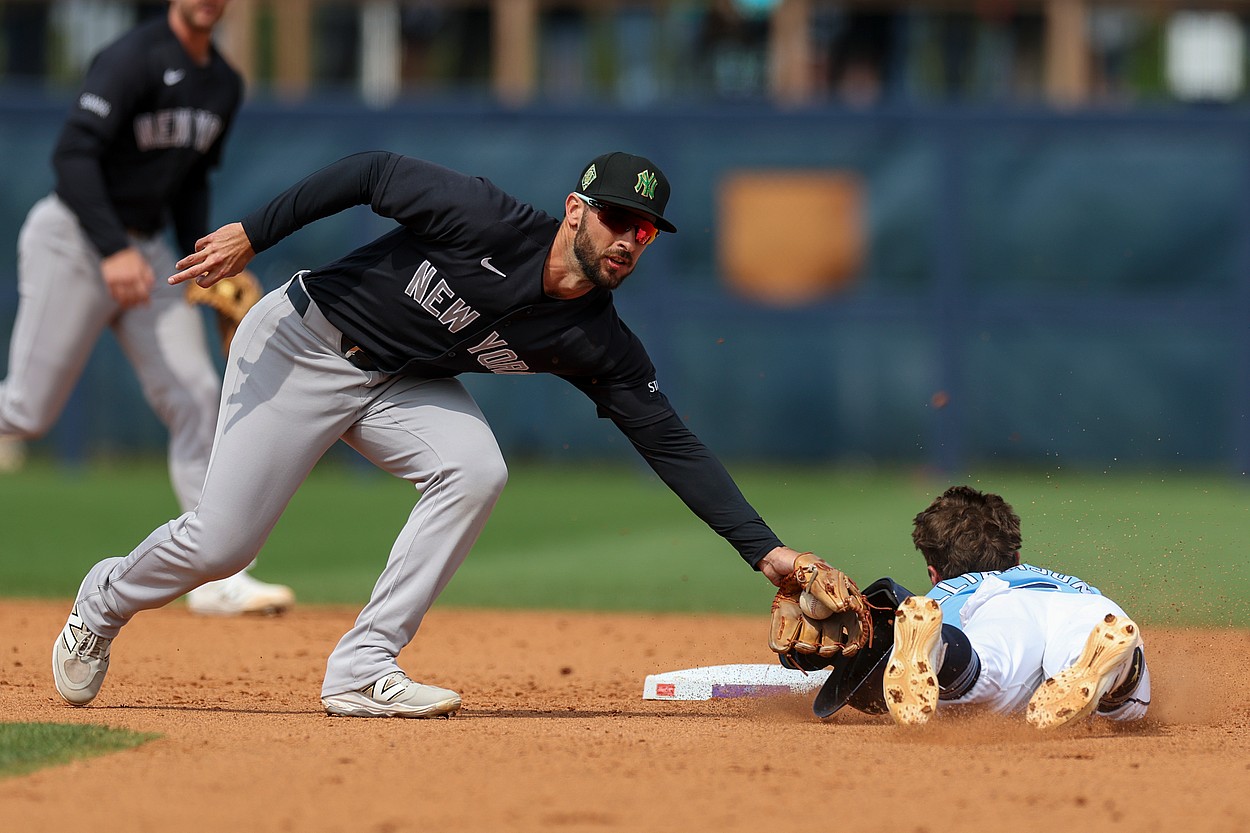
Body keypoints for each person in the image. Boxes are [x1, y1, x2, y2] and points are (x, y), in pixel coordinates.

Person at [51, 149, 832, 717]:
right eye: (618, 218)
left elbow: (670, 441)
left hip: (400, 381)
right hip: (303, 343)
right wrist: (256, 232)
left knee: (475, 469)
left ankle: (361, 668)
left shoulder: (599, 342)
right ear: (575, 210)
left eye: (647, 231)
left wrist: (767, 551)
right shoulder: (482, 217)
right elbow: (369, 171)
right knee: (224, 545)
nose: (630, 238)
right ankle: (101, 601)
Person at [0, 0, 293, 615]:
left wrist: (203, 264)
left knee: (197, 394)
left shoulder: (224, 84)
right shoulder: (133, 58)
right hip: (77, 240)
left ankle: (216, 577)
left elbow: (190, 180)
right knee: (26, 410)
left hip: (150, 250)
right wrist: (111, 249)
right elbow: (73, 156)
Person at [883, 485, 1150, 729]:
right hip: (1088, 606)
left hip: (1001, 605)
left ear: (934, 574)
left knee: (985, 673)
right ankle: (1117, 675)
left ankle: (940, 653)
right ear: (1017, 559)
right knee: (1107, 685)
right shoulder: (1068, 582)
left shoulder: (949, 593)